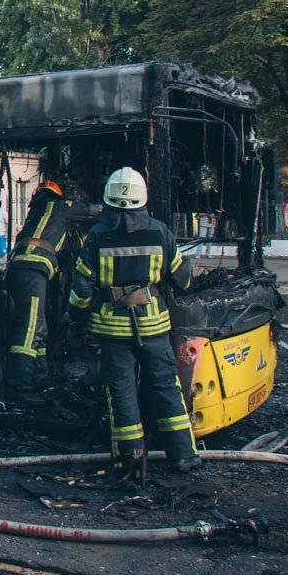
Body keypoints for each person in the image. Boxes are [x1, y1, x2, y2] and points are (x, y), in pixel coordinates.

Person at [65, 167, 200, 478]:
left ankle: (130, 463)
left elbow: (82, 286)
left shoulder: (97, 236)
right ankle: (184, 457)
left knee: (122, 392)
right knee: (167, 387)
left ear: (108, 200)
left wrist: (74, 317)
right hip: (153, 326)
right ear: (143, 199)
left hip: (113, 331)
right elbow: (183, 279)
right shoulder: (161, 232)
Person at [2, 179, 83, 403]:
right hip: (32, 271)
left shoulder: (36, 215)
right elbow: (93, 212)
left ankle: (39, 375)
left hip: (18, 269)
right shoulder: (61, 207)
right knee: (29, 327)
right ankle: (19, 383)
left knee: (38, 325)